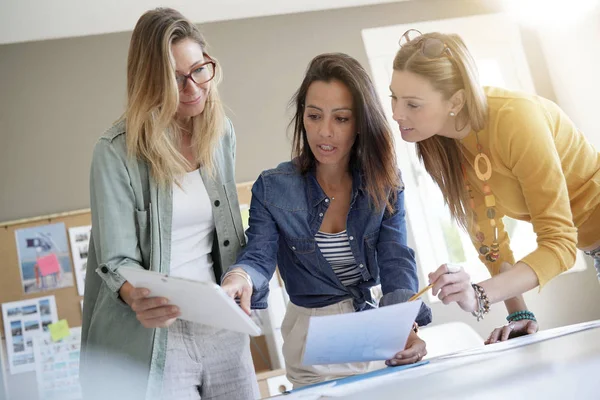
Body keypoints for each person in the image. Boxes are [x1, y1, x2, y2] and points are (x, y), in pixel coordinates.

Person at [221, 53, 431, 388]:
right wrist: (239, 277)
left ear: (360, 122)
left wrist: (406, 331)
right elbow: (258, 254)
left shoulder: (385, 182)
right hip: (311, 345)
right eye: (314, 116)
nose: (325, 132)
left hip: (375, 334)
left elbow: (395, 257)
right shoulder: (274, 188)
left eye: (341, 118)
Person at [80, 8, 258, 400]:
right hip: (157, 331)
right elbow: (115, 259)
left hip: (221, 323)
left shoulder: (220, 132)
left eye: (199, 69)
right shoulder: (115, 152)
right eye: (175, 80)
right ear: (150, 84)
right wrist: (136, 297)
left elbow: (228, 232)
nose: (193, 87)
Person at [389, 29, 600, 343]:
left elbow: (559, 244)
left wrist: (478, 294)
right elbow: (492, 241)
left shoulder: (517, 119)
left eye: (413, 104)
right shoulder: (445, 146)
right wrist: (519, 314)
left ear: (456, 101)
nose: (396, 113)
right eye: (393, 96)